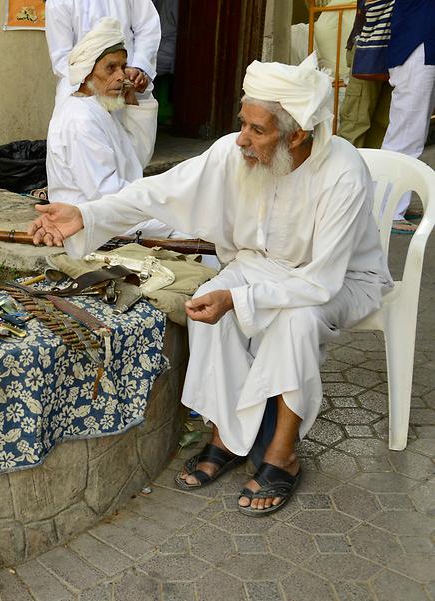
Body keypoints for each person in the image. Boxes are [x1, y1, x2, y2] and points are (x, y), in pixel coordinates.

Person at [29, 54, 392, 516]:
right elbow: (158, 190)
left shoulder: (343, 170)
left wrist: (238, 298)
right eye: (243, 123)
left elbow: (321, 281)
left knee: (296, 322)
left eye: (257, 130)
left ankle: (283, 453)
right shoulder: (234, 152)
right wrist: (87, 214)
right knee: (206, 304)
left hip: (337, 280)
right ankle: (227, 434)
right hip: (258, 265)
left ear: (297, 135)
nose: (242, 139)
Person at [46, 17, 174, 239]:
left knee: (185, 218)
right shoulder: (80, 119)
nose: (121, 76)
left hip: (112, 208)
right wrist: (156, 201)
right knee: (183, 226)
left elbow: (137, 160)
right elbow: (103, 192)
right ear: (87, 72)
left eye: (123, 67)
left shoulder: (100, 107)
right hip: (88, 218)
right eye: (111, 68)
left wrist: (132, 97)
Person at [46, 0, 161, 161]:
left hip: (127, 77)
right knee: (85, 154)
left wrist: (139, 68)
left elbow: (148, 27)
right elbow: (61, 56)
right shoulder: (57, 3)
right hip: (83, 84)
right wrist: (95, 77)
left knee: (133, 155)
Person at [380, 0, 434, 233]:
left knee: (414, 132)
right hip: (418, 44)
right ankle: (387, 211)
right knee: (406, 132)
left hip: (422, 42)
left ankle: (397, 201)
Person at [338, 0, 394, 150]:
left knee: (384, 121)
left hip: (398, 44)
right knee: (356, 120)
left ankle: (370, 169)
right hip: (369, 44)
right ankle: (344, 169)